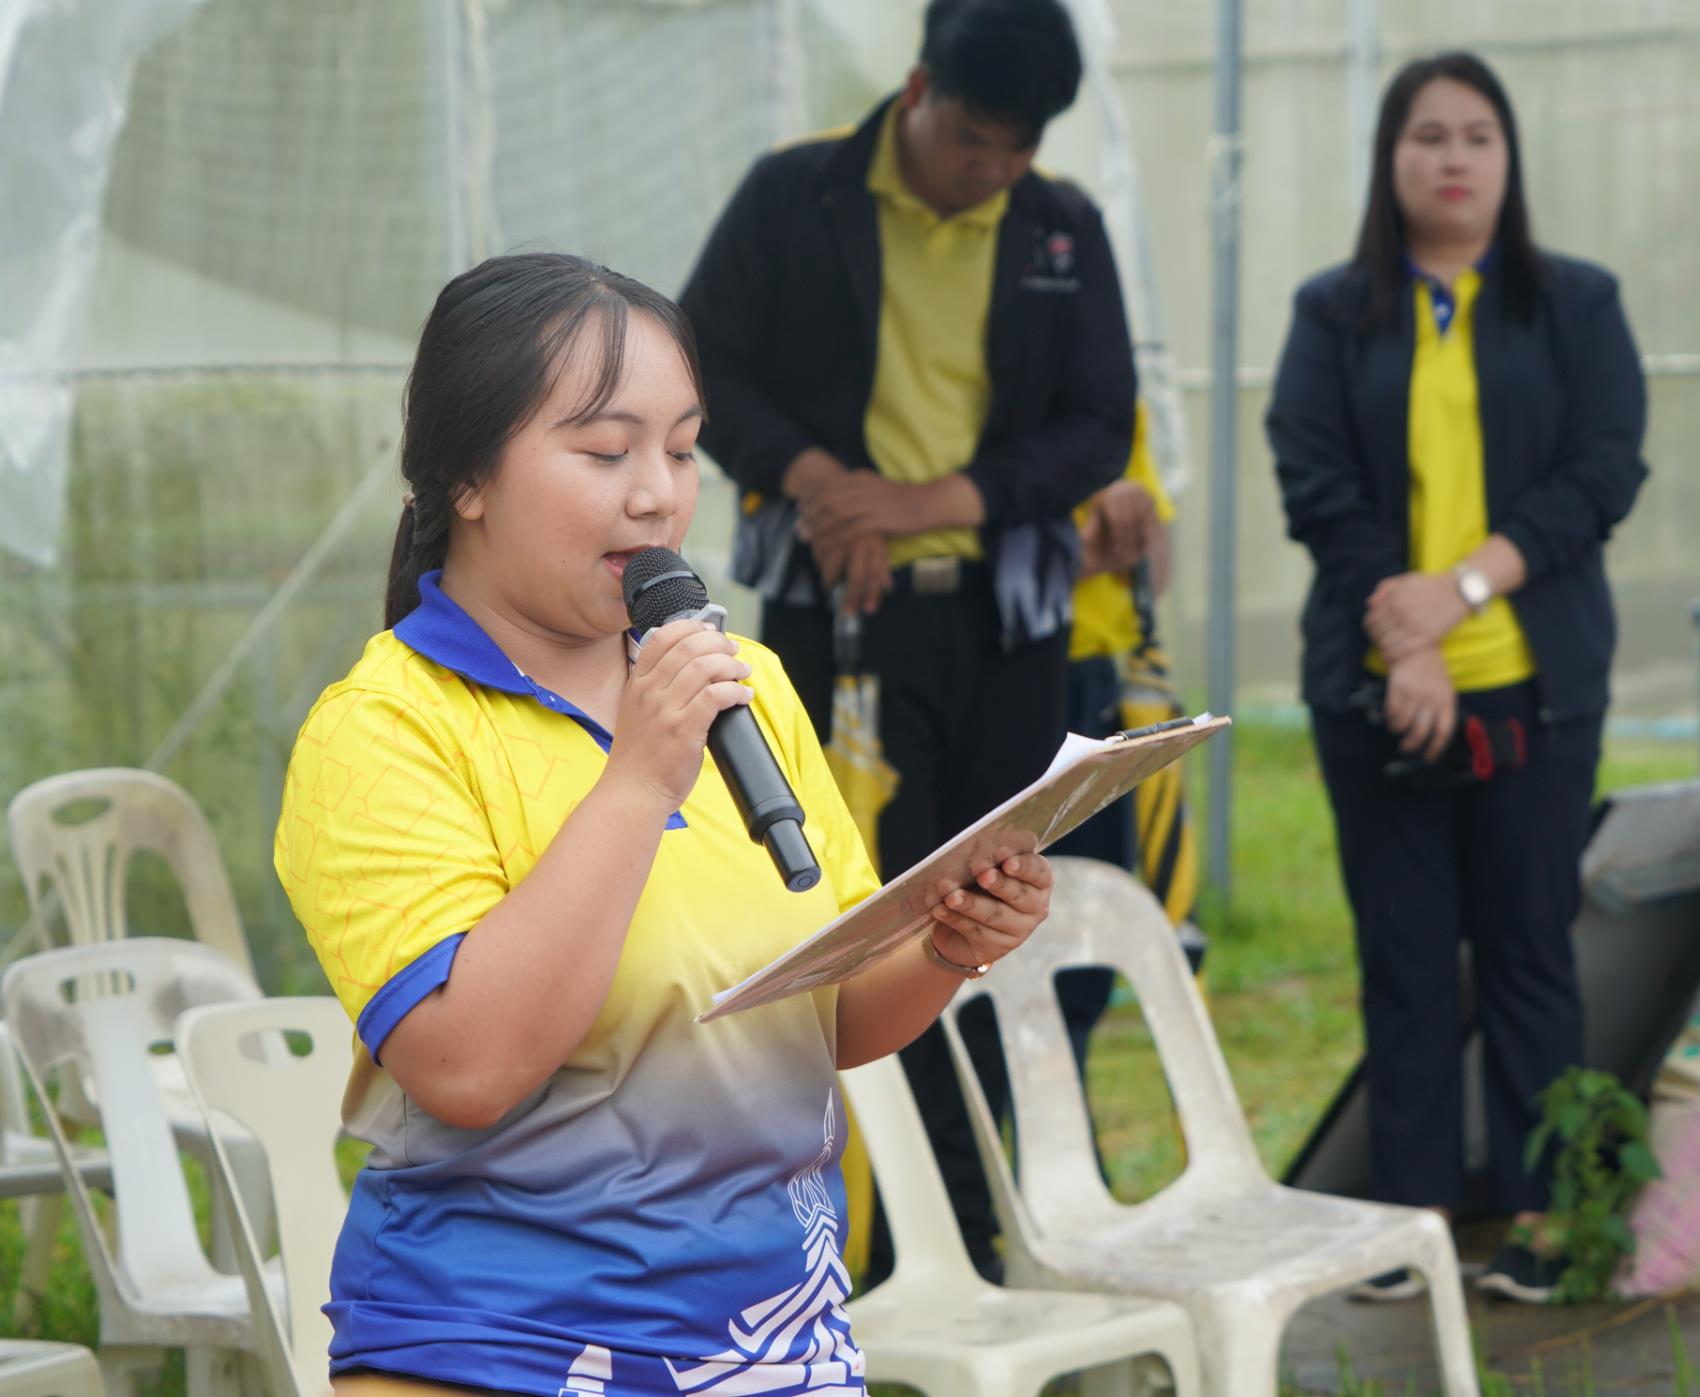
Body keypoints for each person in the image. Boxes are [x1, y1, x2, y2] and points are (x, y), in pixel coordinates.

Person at [273, 251, 1055, 1396]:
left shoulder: (748, 685)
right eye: (605, 451)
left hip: (772, 1342)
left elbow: (827, 1016)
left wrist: (947, 942)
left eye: (683, 449)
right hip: (491, 1349)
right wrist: (638, 780)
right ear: (467, 477)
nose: (657, 496)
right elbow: (469, 1068)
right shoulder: (383, 731)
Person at [680, 0, 1135, 1282]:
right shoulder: (797, 197)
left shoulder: (1060, 227)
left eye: (1020, 149)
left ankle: (989, 1230)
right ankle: (862, 1236)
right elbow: (701, 361)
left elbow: (1100, 425)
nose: (995, 169)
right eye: (976, 139)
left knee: (989, 907)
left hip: (1004, 631)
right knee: (854, 916)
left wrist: (936, 500)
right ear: (921, 88)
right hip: (834, 628)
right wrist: (820, 481)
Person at [1266, 52, 1647, 1304]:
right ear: (1392, 158)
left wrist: (1465, 591)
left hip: (1536, 684)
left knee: (1530, 943)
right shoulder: (1333, 312)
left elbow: (1602, 472)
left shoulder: (1576, 303)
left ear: (1508, 158)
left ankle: (1544, 1212)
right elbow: (1314, 476)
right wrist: (1410, 637)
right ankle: (1413, 1211)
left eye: (1479, 135)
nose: (1454, 158)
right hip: (1376, 683)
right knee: (1408, 954)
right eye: (1428, 134)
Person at [1051, 400, 1176, 1072]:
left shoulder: (1111, 398)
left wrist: (1137, 517)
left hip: (1096, 687)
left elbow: (1157, 568)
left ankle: (1064, 1100)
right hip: (996, 677)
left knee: (1088, 922)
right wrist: (1072, 553)